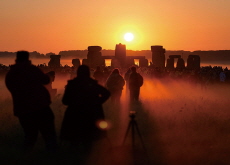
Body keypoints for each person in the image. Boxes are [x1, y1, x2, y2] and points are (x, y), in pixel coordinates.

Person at [5, 51, 57, 152]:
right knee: (49, 133)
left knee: (30, 135)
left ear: (17, 59)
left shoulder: (11, 74)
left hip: (22, 108)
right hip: (40, 106)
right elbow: (46, 80)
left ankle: (25, 155)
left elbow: (11, 87)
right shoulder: (32, 70)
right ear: (27, 58)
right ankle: (52, 154)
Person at [60, 65, 110, 148]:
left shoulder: (72, 85)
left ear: (78, 73)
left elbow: (65, 101)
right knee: (88, 138)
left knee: (74, 138)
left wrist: (74, 103)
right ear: (88, 73)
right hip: (90, 113)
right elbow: (107, 93)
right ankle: (87, 156)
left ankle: (73, 157)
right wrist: (97, 102)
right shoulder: (92, 84)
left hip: (74, 113)